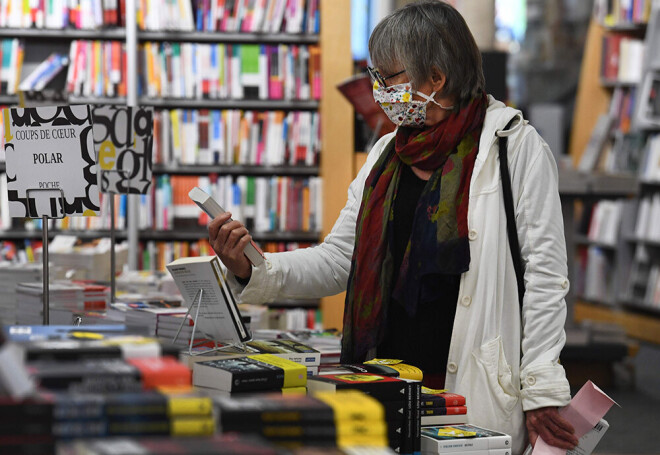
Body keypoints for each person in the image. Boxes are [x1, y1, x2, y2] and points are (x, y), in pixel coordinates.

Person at [208, 1, 577, 453]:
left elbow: (545, 276)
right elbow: (338, 259)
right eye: (376, 77)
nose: (380, 90)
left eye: (391, 76)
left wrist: (542, 389)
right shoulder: (388, 154)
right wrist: (253, 268)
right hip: (382, 384)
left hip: (466, 386)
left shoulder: (514, 148)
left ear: (436, 78)